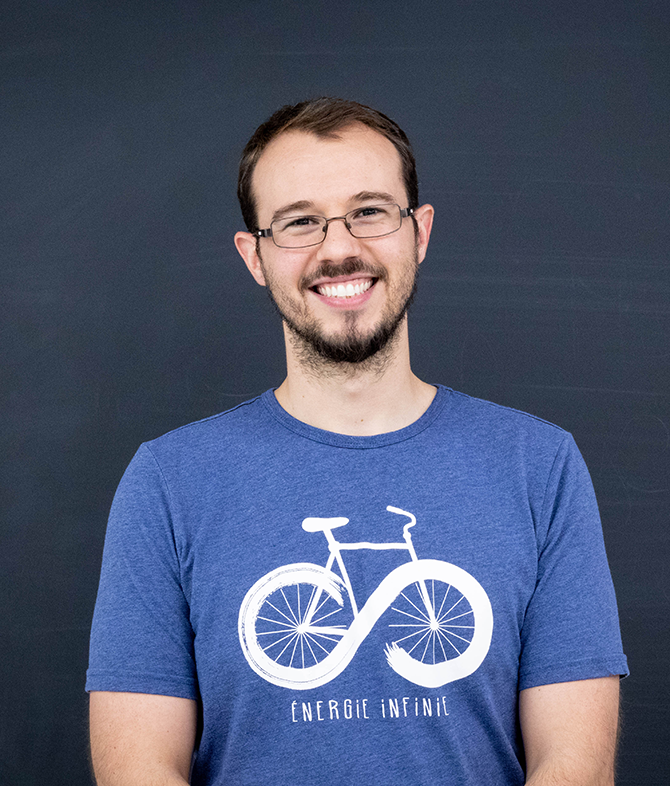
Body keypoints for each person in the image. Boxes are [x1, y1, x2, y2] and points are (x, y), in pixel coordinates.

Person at [87, 98, 628, 786]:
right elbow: (137, 768)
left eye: (369, 211)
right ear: (255, 256)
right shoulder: (168, 482)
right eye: (299, 222)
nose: (338, 248)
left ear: (419, 232)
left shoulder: (539, 467)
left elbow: (575, 766)